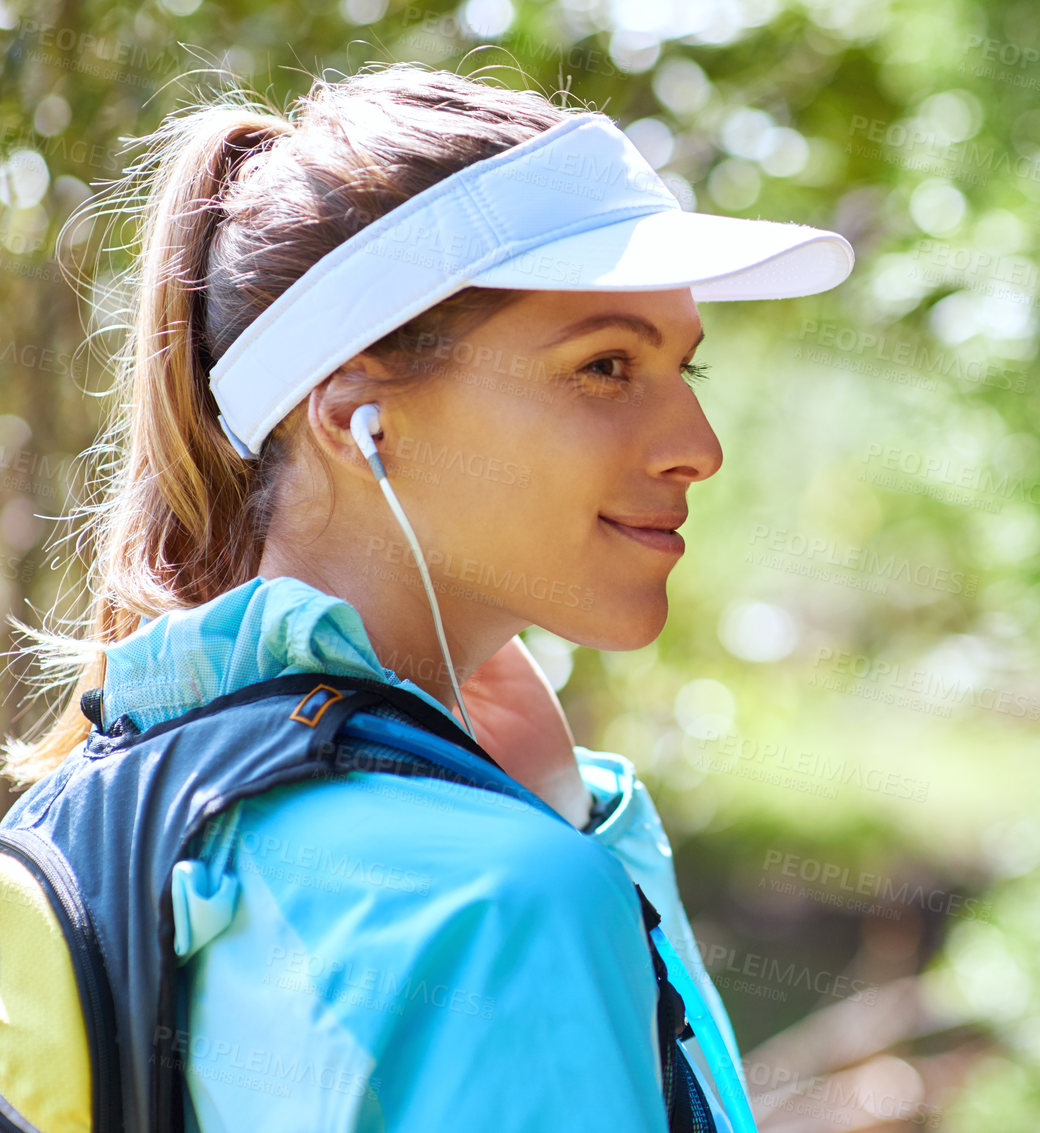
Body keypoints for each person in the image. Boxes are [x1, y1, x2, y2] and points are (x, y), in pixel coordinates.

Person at [0, 62, 854, 1131]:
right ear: (361, 415)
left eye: (689, 369)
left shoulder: (101, 808)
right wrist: (573, 862)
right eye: (603, 367)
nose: (698, 448)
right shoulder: (502, 901)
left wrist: (563, 819)